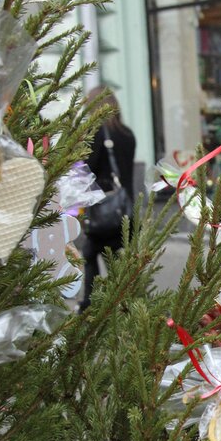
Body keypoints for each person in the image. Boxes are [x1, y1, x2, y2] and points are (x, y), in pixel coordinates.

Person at [79, 86, 136, 313]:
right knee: (113, 257)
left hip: (103, 209)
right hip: (125, 208)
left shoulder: (98, 135)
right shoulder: (127, 134)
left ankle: (89, 304)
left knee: (90, 253)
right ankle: (121, 303)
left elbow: (88, 170)